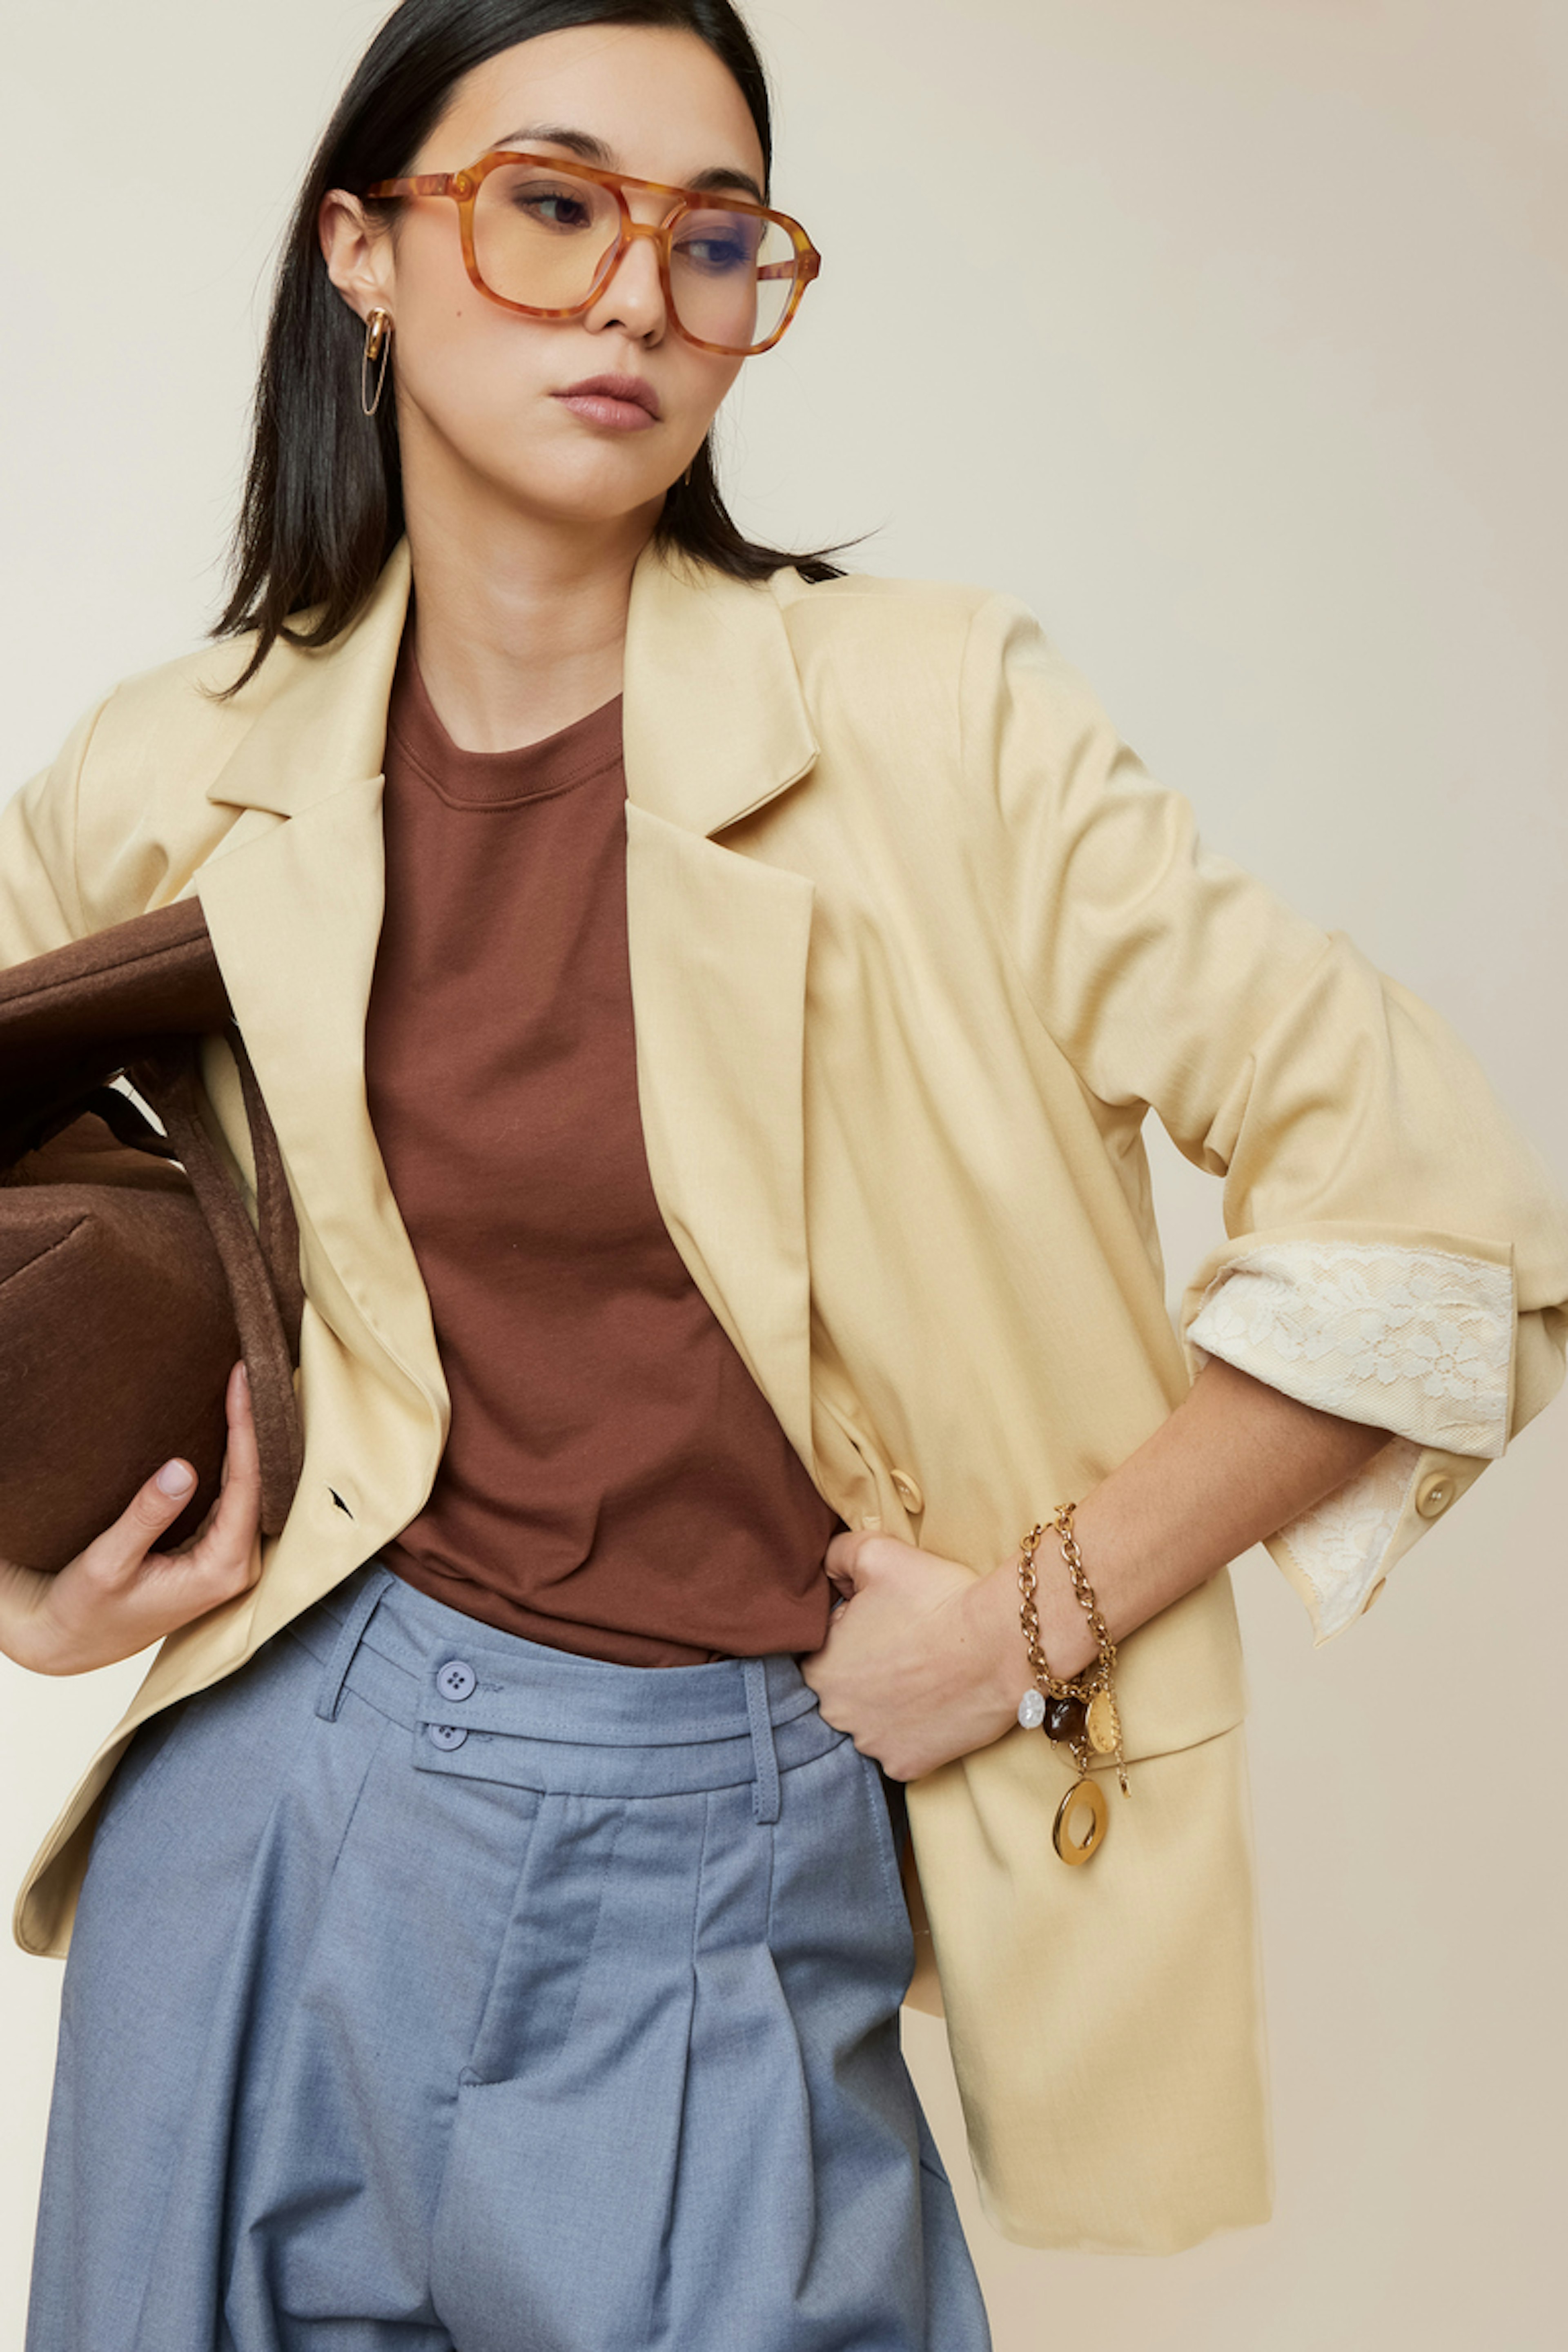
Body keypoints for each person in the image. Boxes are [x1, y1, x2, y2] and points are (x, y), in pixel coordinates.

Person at [3, 1, 1565, 2345]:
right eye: (551, 207)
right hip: (260, 1811)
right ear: (362, 250)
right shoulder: (178, 766)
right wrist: (26, 1574)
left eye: (714, 237)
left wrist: (1029, 1622)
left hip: (719, 1842)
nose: (640, 294)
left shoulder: (942, 725)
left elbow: (1438, 1226)